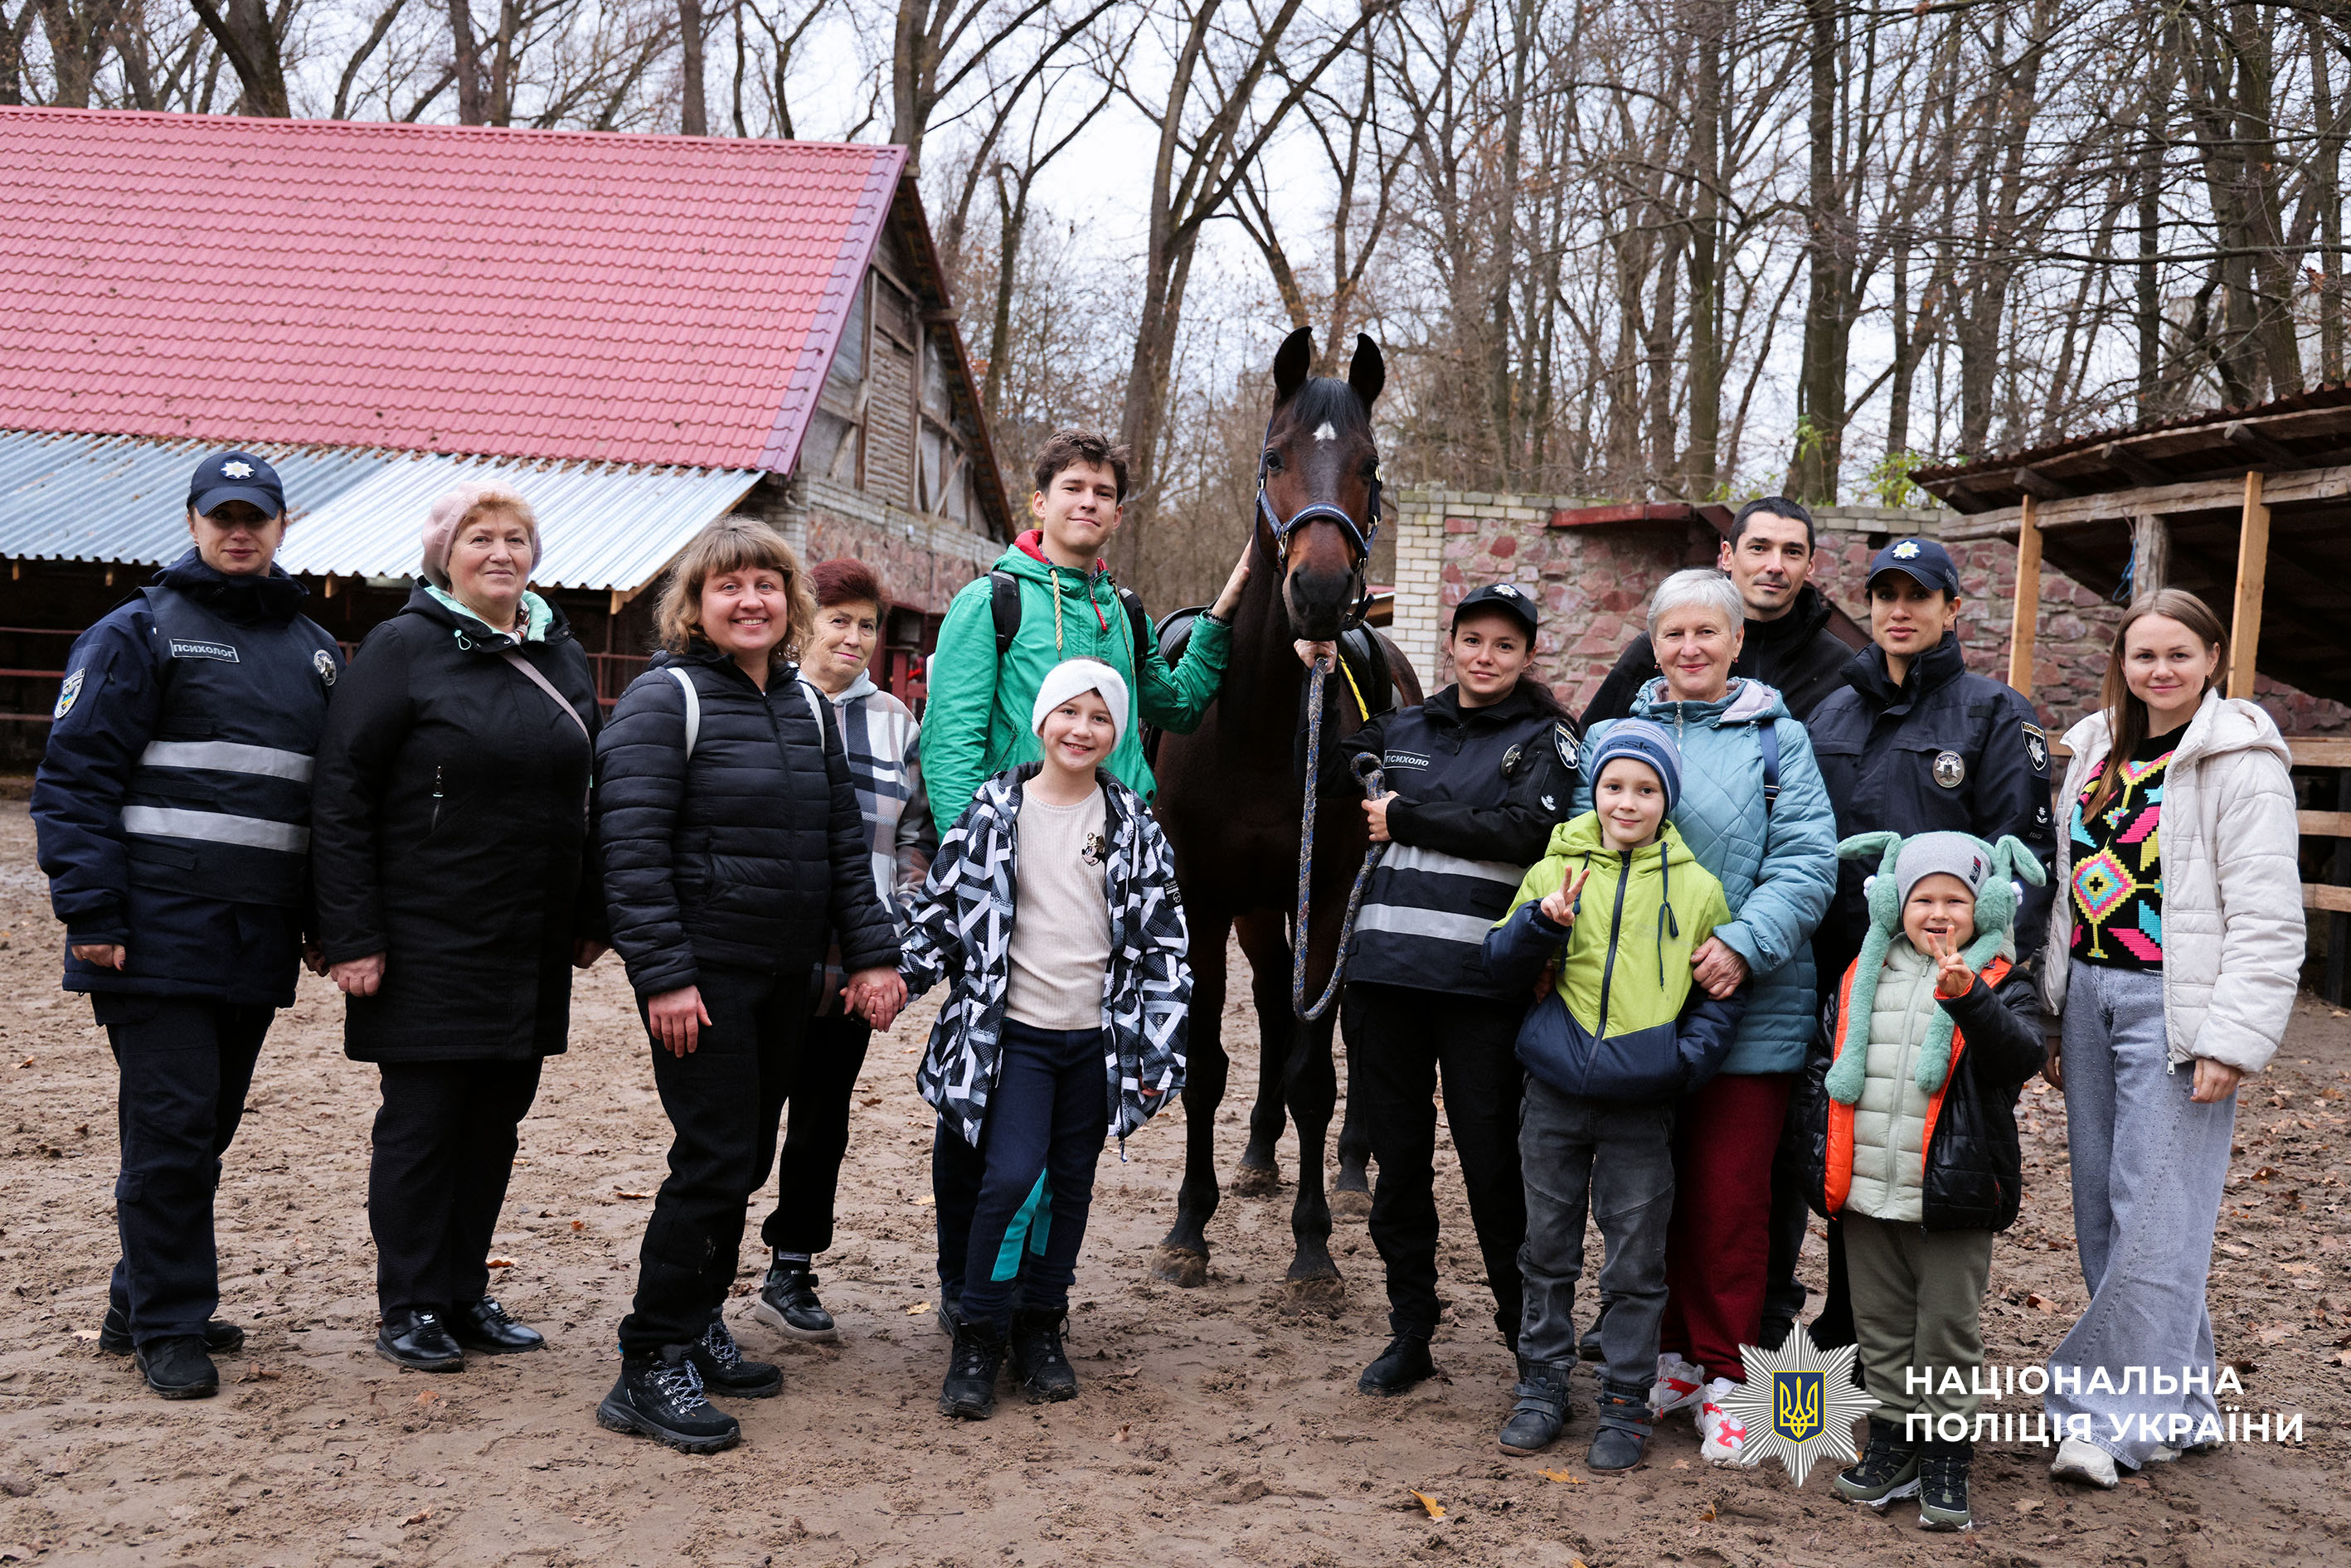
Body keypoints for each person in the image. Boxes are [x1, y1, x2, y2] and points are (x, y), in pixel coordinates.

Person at [32, 450, 342, 1400]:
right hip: (152, 932)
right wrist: (90, 908)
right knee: (169, 1128)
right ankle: (170, 1324)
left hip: (254, 936)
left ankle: (139, 1297)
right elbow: (74, 779)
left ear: (282, 526)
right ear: (194, 521)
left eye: (255, 516)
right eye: (222, 515)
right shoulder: (136, 631)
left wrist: (326, 919)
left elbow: (327, 803)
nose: (238, 531)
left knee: (203, 1128)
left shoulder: (318, 651)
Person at [919, 427, 1246, 1323]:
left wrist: (1220, 623)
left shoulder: (1124, 609)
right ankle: (968, 1282)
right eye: (1074, 487)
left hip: (1105, 882)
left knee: (1069, 1112)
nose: (1089, 503)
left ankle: (1033, 1302)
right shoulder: (991, 605)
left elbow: (1171, 703)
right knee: (979, 1099)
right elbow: (950, 750)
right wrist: (977, 882)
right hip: (1008, 883)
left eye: (1105, 491)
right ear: (1040, 500)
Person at [594, 519, 906, 1454]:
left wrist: (872, 953)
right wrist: (666, 977)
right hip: (705, 981)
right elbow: (631, 852)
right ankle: (649, 1363)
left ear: (791, 603)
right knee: (715, 1157)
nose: (751, 600)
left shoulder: (805, 708)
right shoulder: (665, 699)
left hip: (786, 981)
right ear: (695, 604)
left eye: (768, 584)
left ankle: (696, 1327)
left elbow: (842, 851)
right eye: (729, 586)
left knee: (745, 1159)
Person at [308, 482, 605, 1374]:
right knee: (425, 1122)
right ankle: (410, 1301)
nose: (501, 553)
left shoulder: (560, 652)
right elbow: (341, 792)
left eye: (517, 538)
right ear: (445, 554)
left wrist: (590, 914)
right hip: (427, 931)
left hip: (528, 935)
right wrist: (351, 932)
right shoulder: (403, 650)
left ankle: (464, 1288)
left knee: (494, 1123)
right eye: (481, 538)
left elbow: (590, 791)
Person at [2039, 590, 2302, 1489]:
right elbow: (2065, 888)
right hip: (2088, 1001)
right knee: (2108, 1213)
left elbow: (2269, 916)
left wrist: (2232, 1037)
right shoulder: (2095, 752)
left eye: (2179, 654)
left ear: (2214, 659)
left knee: (2155, 1213)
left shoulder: (2240, 760)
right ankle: (2182, 1399)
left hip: (2175, 1007)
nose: (2160, 670)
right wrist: (2051, 1005)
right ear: (2121, 661)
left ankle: (2110, 1421)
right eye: (2143, 654)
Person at [1584, 499, 1853, 1363]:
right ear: (1653, 645)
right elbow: (1573, 849)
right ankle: (1662, 1355)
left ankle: (1728, 1368)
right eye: (1674, 635)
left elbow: (1810, 862)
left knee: (1730, 1201)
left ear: (1737, 641)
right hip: (1634, 1008)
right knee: (1642, 1196)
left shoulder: (1781, 740)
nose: (1691, 648)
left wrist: (1743, 942)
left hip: (1749, 1008)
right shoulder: (1616, 737)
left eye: (1709, 633)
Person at [901, 658, 1190, 1418]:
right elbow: (942, 912)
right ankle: (978, 1329)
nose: (1081, 729)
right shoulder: (995, 810)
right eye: (1068, 712)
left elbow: (1165, 944)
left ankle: (1040, 1323)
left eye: (1099, 718)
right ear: (1041, 719)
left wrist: (1161, 1049)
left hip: (1096, 1042)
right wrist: (893, 977)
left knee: (1068, 1185)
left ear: (1116, 733)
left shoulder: (1132, 826)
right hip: (1016, 1039)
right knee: (1009, 1180)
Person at [1802, 536, 2058, 1353]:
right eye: (1886, 595)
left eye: (1919, 595)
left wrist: (1981, 978)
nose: (1899, 611)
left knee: (1933, 1155)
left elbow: (2023, 859)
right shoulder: (1832, 712)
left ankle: (1930, 1347)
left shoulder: (1994, 712)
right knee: (1854, 1147)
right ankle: (1854, 1330)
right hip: (1848, 981)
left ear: (1953, 608)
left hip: (1948, 988)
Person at [1332, 581, 1578, 1396]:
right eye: (1474, 639)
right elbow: (1332, 758)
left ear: (1527, 655)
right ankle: (1412, 1330)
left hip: (1482, 987)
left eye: (1505, 645)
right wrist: (1316, 660)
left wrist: (1407, 817)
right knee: (1397, 1167)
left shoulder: (1548, 737)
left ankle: (1526, 1341)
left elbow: (1526, 828)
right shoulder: (1398, 728)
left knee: (1494, 1167)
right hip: (1382, 980)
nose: (1486, 656)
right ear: (1453, 643)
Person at [1482, 721, 1747, 1470]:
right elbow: (1497, 964)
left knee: (1634, 1261)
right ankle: (1541, 1387)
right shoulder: (1555, 870)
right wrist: (1540, 924)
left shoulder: (1697, 887)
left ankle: (1626, 1401)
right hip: (1554, 1091)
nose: (1626, 802)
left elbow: (1720, 997)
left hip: (1642, 1102)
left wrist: (1680, 1061)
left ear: (1667, 800)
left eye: (1645, 789)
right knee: (1545, 1248)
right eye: (1613, 786)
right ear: (1592, 791)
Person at [1800, 831, 2047, 1532]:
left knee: (1944, 1329)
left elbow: (2018, 1055)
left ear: (1984, 905)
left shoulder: (2001, 978)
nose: (1938, 912)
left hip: (1952, 1194)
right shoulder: (1860, 975)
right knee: (1879, 1327)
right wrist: (1819, 1163)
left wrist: (1970, 998)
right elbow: (1824, 1068)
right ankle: (1892, 1442)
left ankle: (1944, 1453)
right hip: (1870, 1186)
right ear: (1895, 904)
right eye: (1922, 898)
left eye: (1956, 899)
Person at [754, 559, 935, 1342]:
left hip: (854, 957)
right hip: (769, 951)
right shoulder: (766, 702)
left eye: (867, 624)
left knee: (823, 1117)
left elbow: (916, 833)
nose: (855, 637)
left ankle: (792, 1265)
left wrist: (897, 927)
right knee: (748, 1115)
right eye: (839, 620)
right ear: (805, 624)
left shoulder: (896, 721)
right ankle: (702, 1267)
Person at [1581, 498, 1852, 729]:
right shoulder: (1666, 651)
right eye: (1759, 548)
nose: (1775, 566)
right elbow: (1590, 746)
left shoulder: (1837, 667)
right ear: (1727, 555)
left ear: (1810, 566)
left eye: (1792, 552)